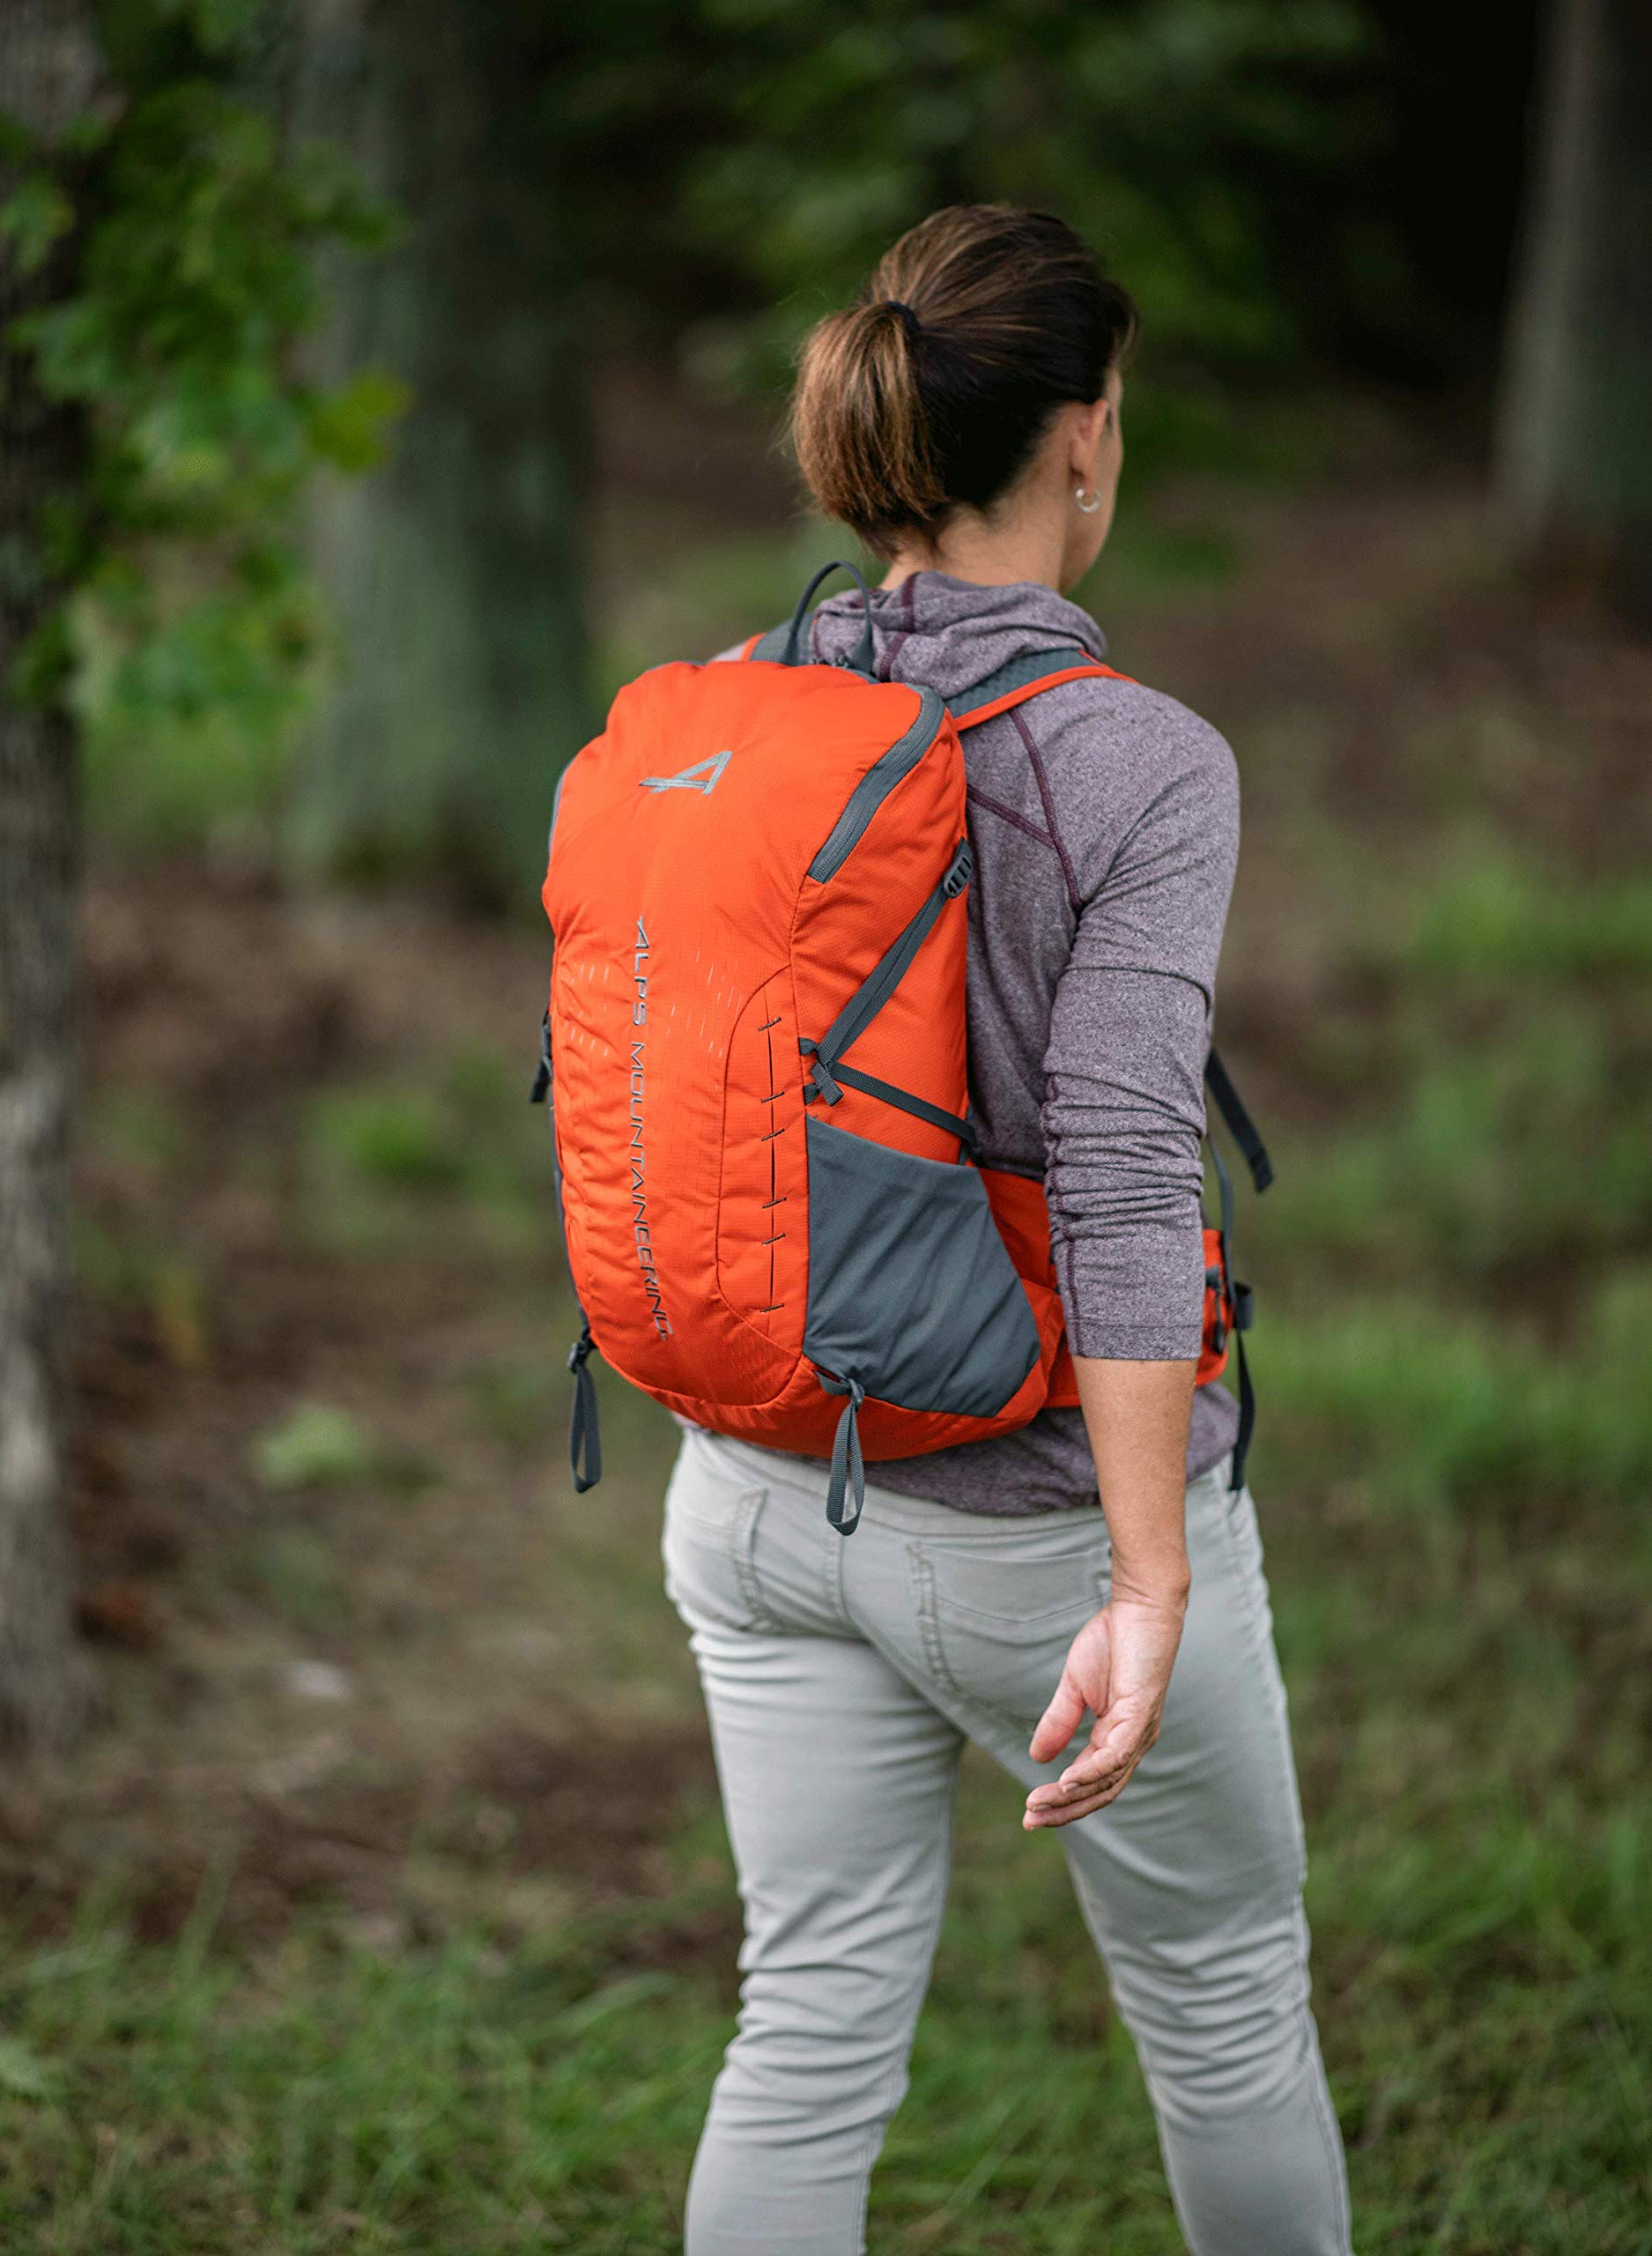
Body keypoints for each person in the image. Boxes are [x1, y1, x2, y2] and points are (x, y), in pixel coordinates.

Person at [662, 204, 1351, 2256]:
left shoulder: (724, 705)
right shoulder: (1135, 759)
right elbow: (1129, 1163)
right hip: (1032, 1520)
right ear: (1082, 437)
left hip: (754, 1488)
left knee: (799, 2030)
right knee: (1225, 2009)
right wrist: (1145, 1580)